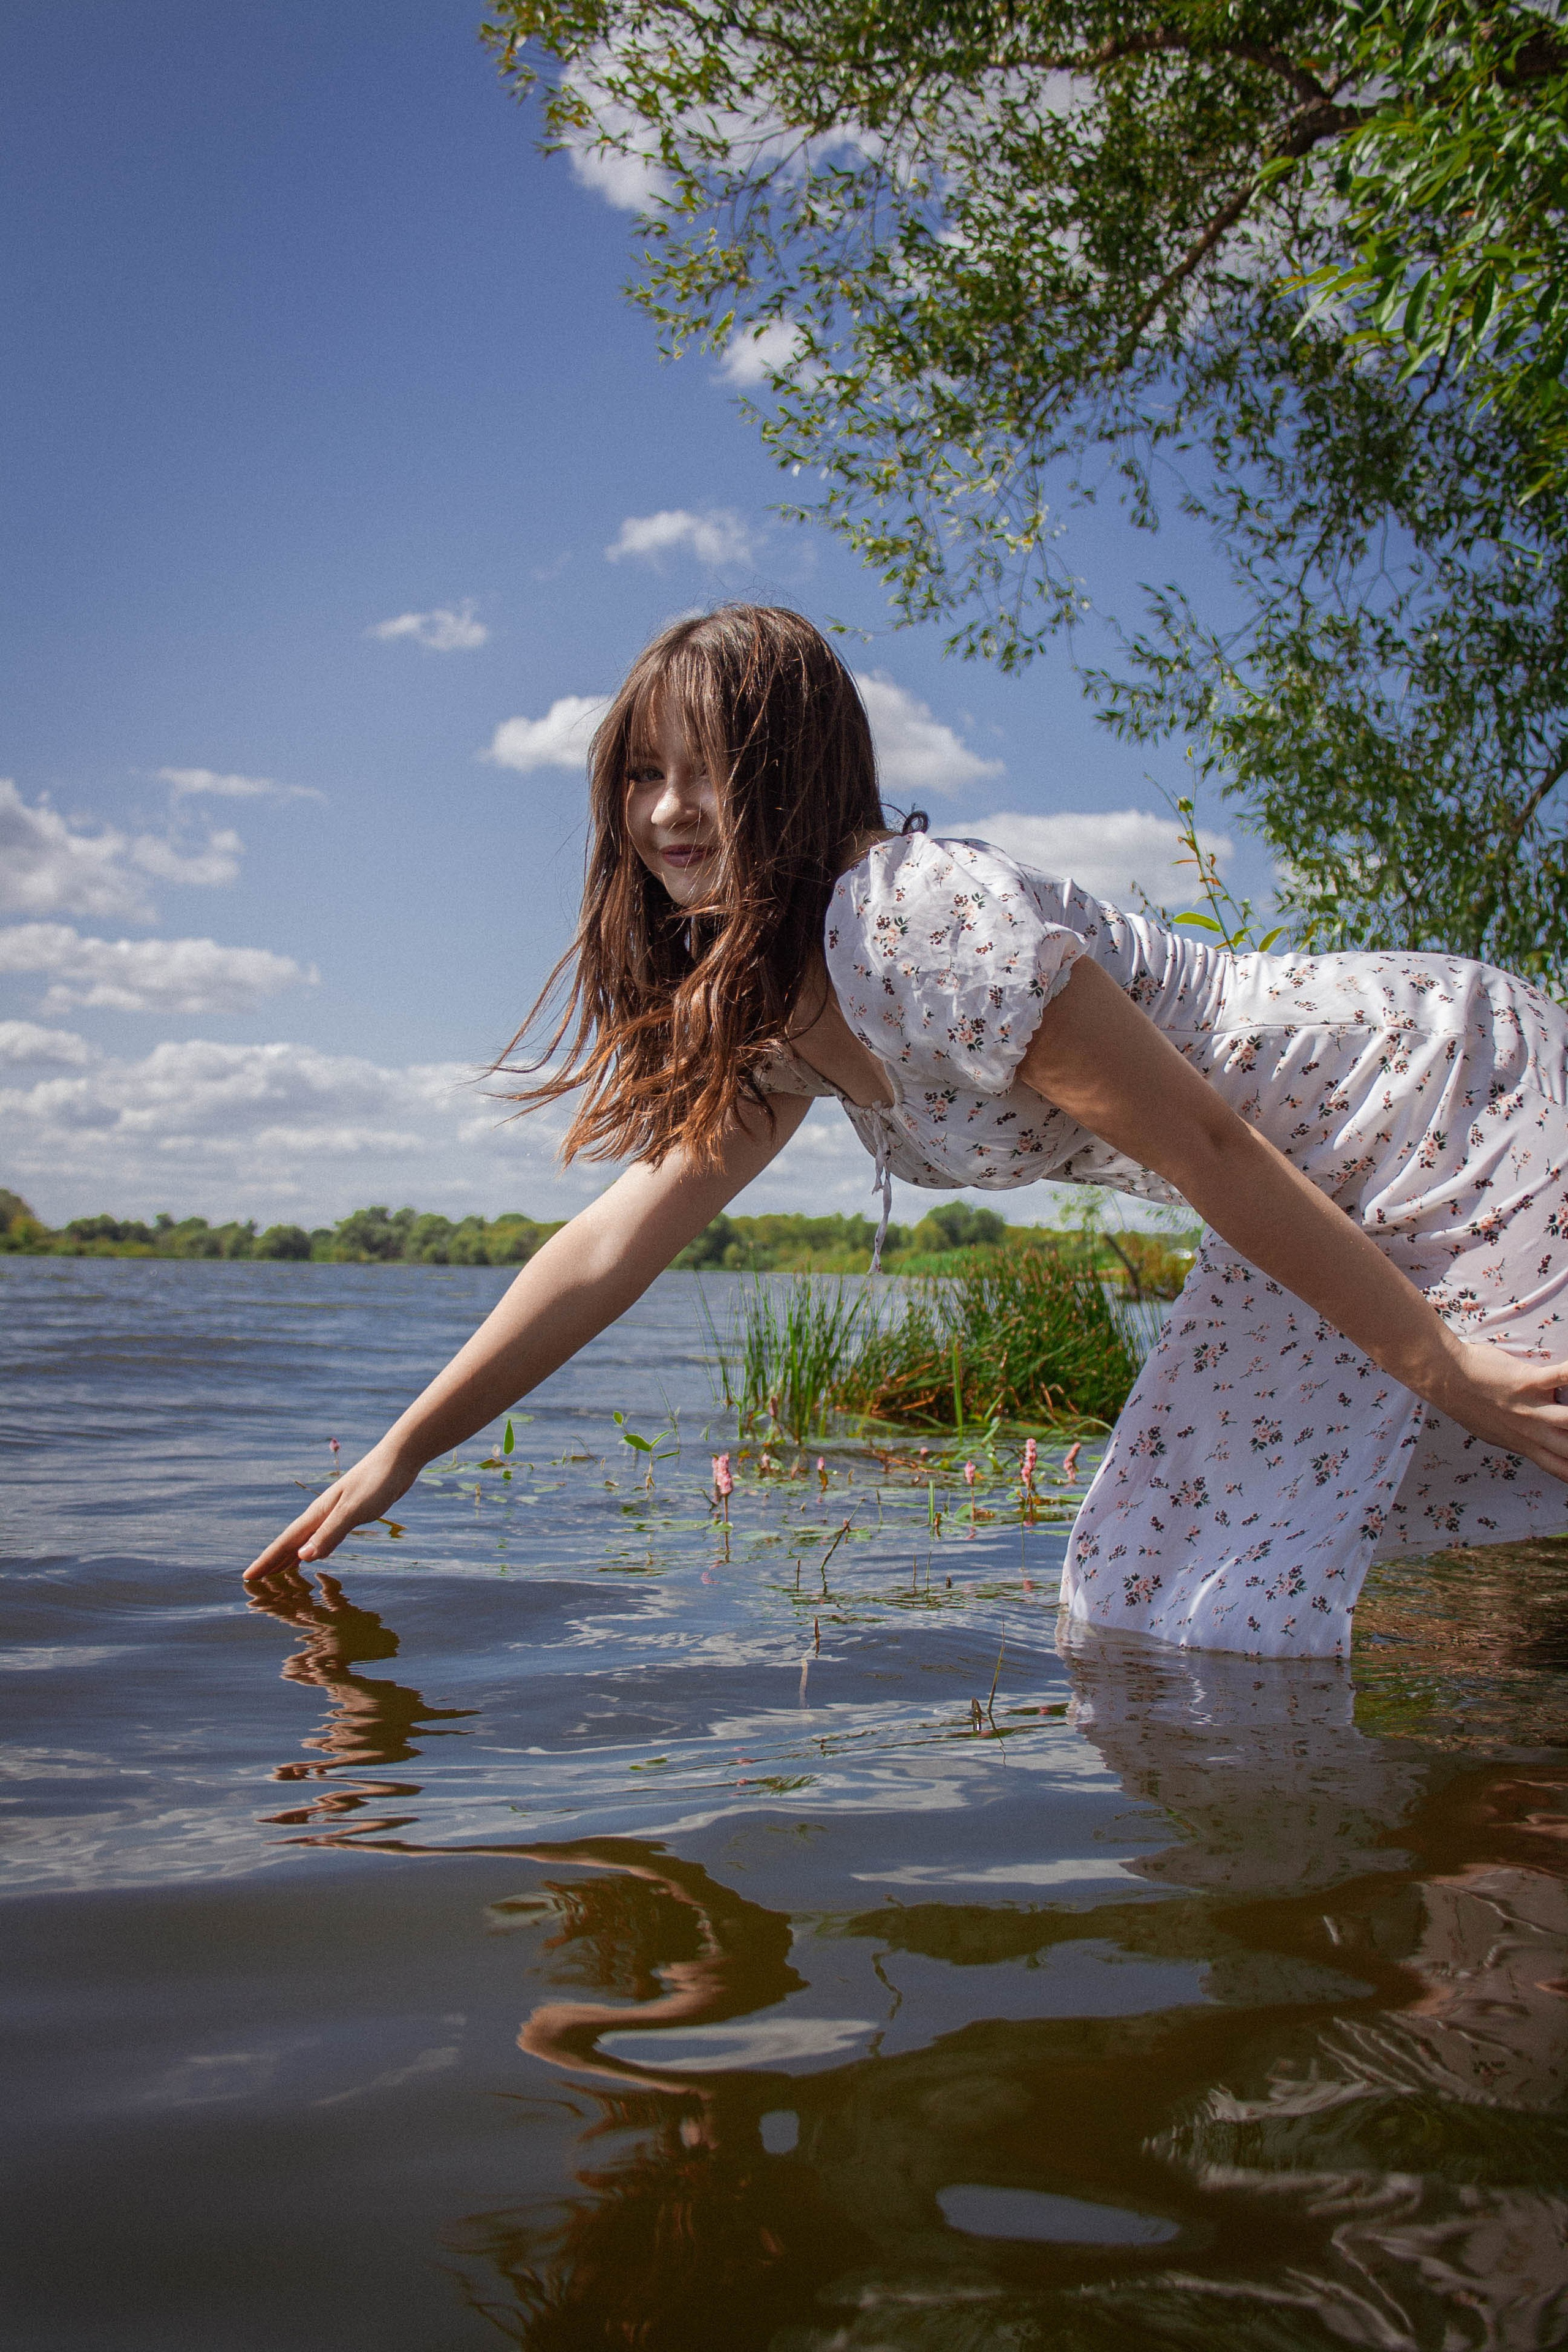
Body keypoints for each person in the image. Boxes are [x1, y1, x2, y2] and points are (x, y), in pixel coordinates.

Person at [245, 605, 1568, 1655]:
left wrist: (1438, 1363)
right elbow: (606, 1252)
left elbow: (1205, 1149)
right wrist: (401, 1449)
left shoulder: (913, 922)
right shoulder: (773, 1016)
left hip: (1426, 1091)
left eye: (705, 771)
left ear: (794, 771)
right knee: (1158, 1581)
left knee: (1195, 1570)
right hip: (1317, 1160)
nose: (663, 813)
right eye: (641, 775)